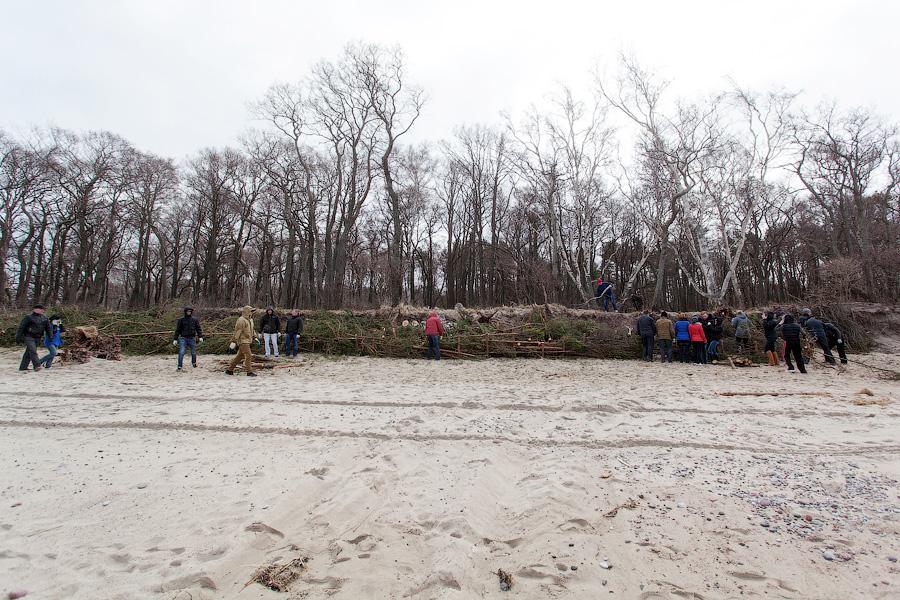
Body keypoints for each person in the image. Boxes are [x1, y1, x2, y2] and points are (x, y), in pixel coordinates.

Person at [16, 304, 52, 372]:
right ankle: (37, 365)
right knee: (33, 351)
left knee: (29, 352)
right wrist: (18, 337)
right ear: (35, 309)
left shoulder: (45, 318)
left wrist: (50, 336)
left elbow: (48, 328)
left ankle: (23, 367)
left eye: (43, 309)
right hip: (29, 336)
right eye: (41, 309)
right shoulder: (28, 317)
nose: (42, 310)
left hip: (38, 337)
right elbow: (21, 327)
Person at [226, 305, 257, 376]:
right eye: (251, 311)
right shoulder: (241, 320)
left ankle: (229, 370)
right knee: (248, 355)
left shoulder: (250, 320)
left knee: (239, 356)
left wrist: (255, 336)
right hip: (243, 341)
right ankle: (249, 372)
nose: (252, 312)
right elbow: (238, 331)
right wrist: (233, 341)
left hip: (248, 340)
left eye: (252, 311)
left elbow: (252, 329)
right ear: (247, 311)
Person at [173, 306, 203, 372]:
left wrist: (200, 336)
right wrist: (175, 339)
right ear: (185, 312)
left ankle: (194, 363)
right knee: (181, 352)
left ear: (191, 312)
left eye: (190, 311)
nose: (189, 312)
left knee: (193, 352)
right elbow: (177, 330)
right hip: (183, 338)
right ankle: (179, 366)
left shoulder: (195, 320)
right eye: (187, 311)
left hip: (192, 338)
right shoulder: (181, 320)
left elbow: (198, 329)